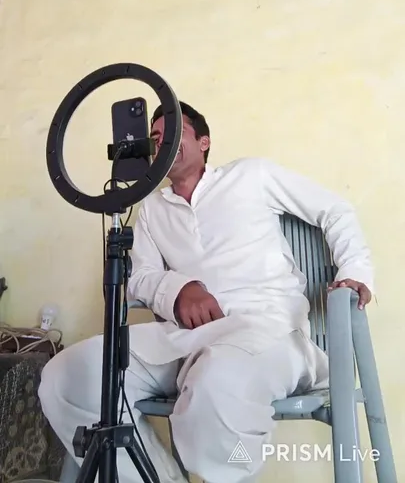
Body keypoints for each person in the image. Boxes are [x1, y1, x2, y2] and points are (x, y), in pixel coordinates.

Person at [38, 102, 374, 483]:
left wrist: (354, 272)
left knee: (218, 385)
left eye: (173, 133)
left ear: (204, 142)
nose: (161, 143)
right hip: (183, 338)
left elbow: (334, 210)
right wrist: (178, 290)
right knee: (67, 377)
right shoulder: (151, 208)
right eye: (155, 138)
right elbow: (141, 275)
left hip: (266, 330)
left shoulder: (251, 175)